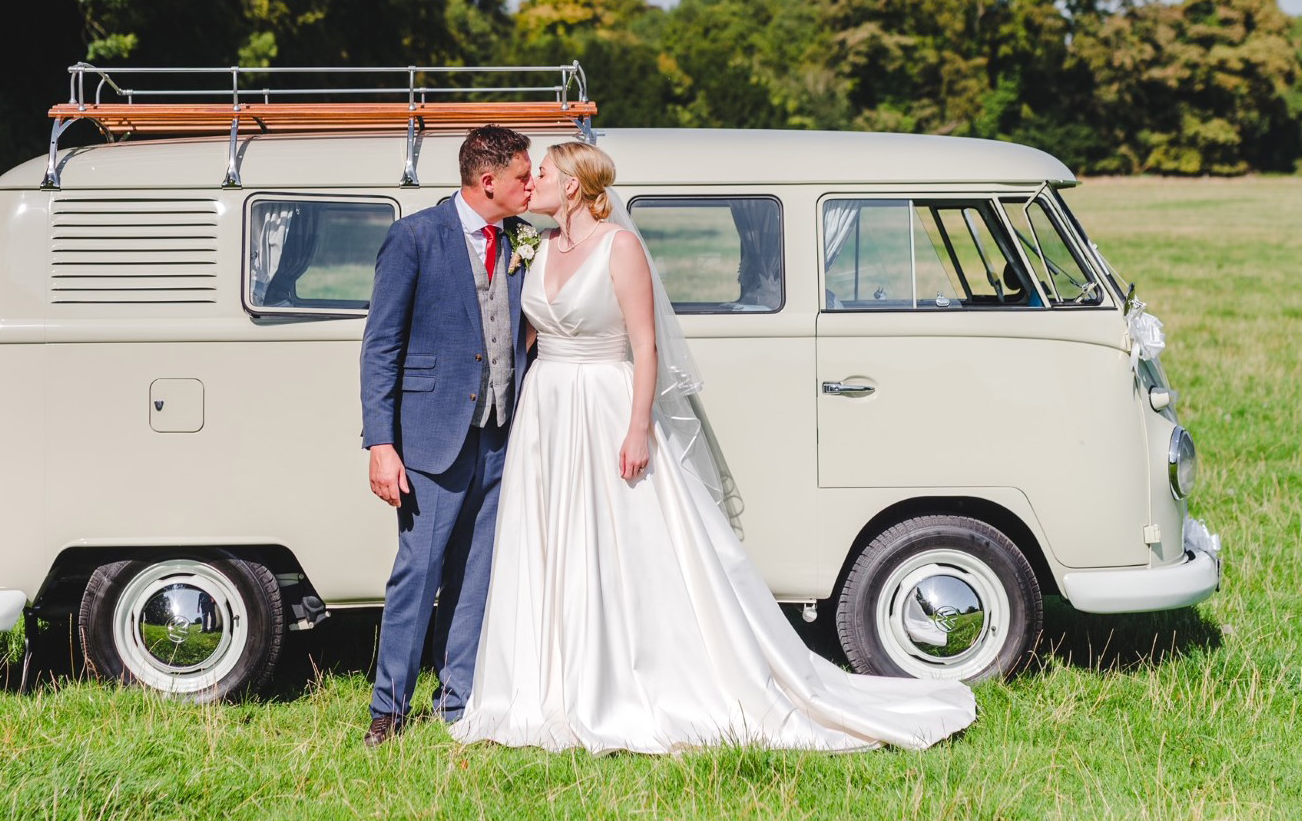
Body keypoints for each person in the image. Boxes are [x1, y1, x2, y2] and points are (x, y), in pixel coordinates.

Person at [449, 142, 977, 754]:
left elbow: (643, 346)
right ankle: (549, 683)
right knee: (550, 542)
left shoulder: (619, 248)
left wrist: (638, 427)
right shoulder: (536, 248)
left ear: (572, 186)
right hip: (548, 415)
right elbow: (527, 333)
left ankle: (623, 682)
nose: (532, 181)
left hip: (606, 407)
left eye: (542, 173)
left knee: (625, 544)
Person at [359, 125, 535, 747]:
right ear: (488, 182)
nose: (531, 184)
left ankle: (458, 701)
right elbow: (381, 346)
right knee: (420, 571)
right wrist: (381, 444)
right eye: (522, 176)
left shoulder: (521, 241)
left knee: (477, 575)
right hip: (430, 437)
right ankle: (389, 708)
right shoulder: (414, 238)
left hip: (500, 433)